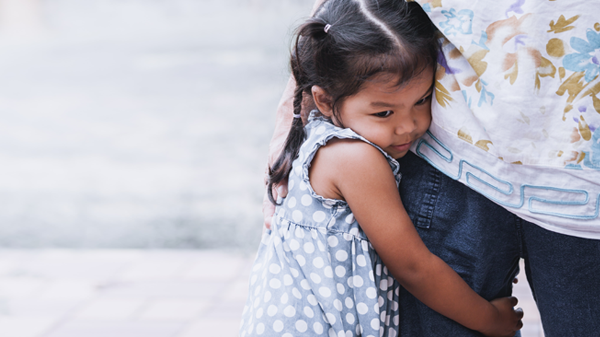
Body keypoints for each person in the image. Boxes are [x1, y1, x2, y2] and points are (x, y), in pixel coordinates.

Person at [264, 0, 600, 336]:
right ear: (323, 100)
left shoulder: (333, 138)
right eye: (383, 113)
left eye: (423, 99)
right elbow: (413, 267)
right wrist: (491, 320)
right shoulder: (355, 158)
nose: (408, 126)